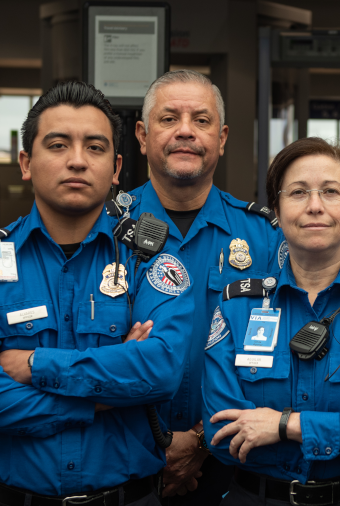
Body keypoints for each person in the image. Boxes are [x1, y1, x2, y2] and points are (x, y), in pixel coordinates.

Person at [0, 81, 195, 506]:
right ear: (26, 162)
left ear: (116, 168)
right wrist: (96, 402)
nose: (76, 160)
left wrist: (35, 364)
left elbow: (160, 370)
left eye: (95, 147)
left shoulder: (151, 261)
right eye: (57, 145)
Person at [203, 137, 340, 505]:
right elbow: (223, 435)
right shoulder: (235, 309)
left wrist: (283, 427)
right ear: (275, 209)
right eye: (297, 192)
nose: (314, 206)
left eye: (330, 191)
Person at [130, 69, 284, 504]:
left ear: (222, 137)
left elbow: (283, 349)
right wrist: (160, 441)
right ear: (142, 135)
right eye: (168, 119)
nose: (185, 132)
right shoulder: (107, 230)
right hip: (122, 458)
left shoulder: (265, 237)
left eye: (201, 120)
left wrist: (199, 441)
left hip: (233, 460)